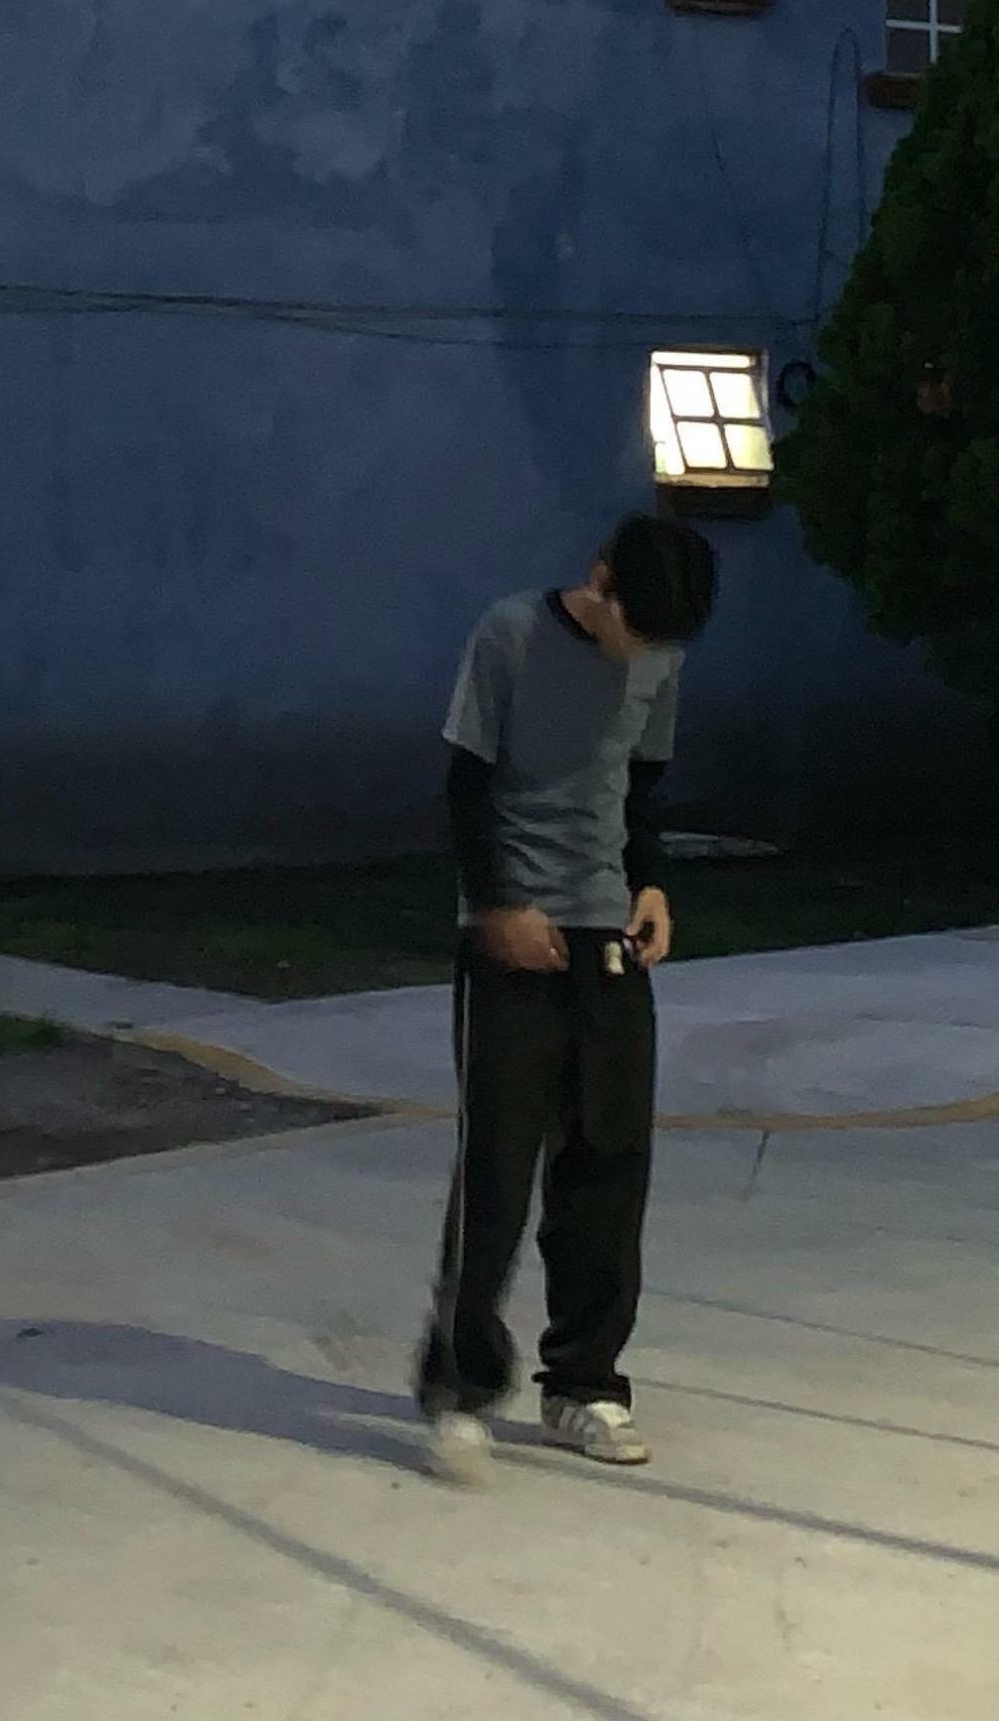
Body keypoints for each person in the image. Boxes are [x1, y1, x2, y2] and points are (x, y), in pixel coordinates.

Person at [415, 510, 718, 1483]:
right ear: (600, 580)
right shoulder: (509, 635)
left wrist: (652, 882)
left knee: (609, 1160)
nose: (644, 653)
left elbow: (639, 787)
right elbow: (465, 788)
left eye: (663, 641)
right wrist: (497, 908)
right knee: (498, 1167)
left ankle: (583, 1383)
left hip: (606, 931)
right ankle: (460, 1389)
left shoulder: (661, 656)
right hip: (511, 933)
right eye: (636, 628)